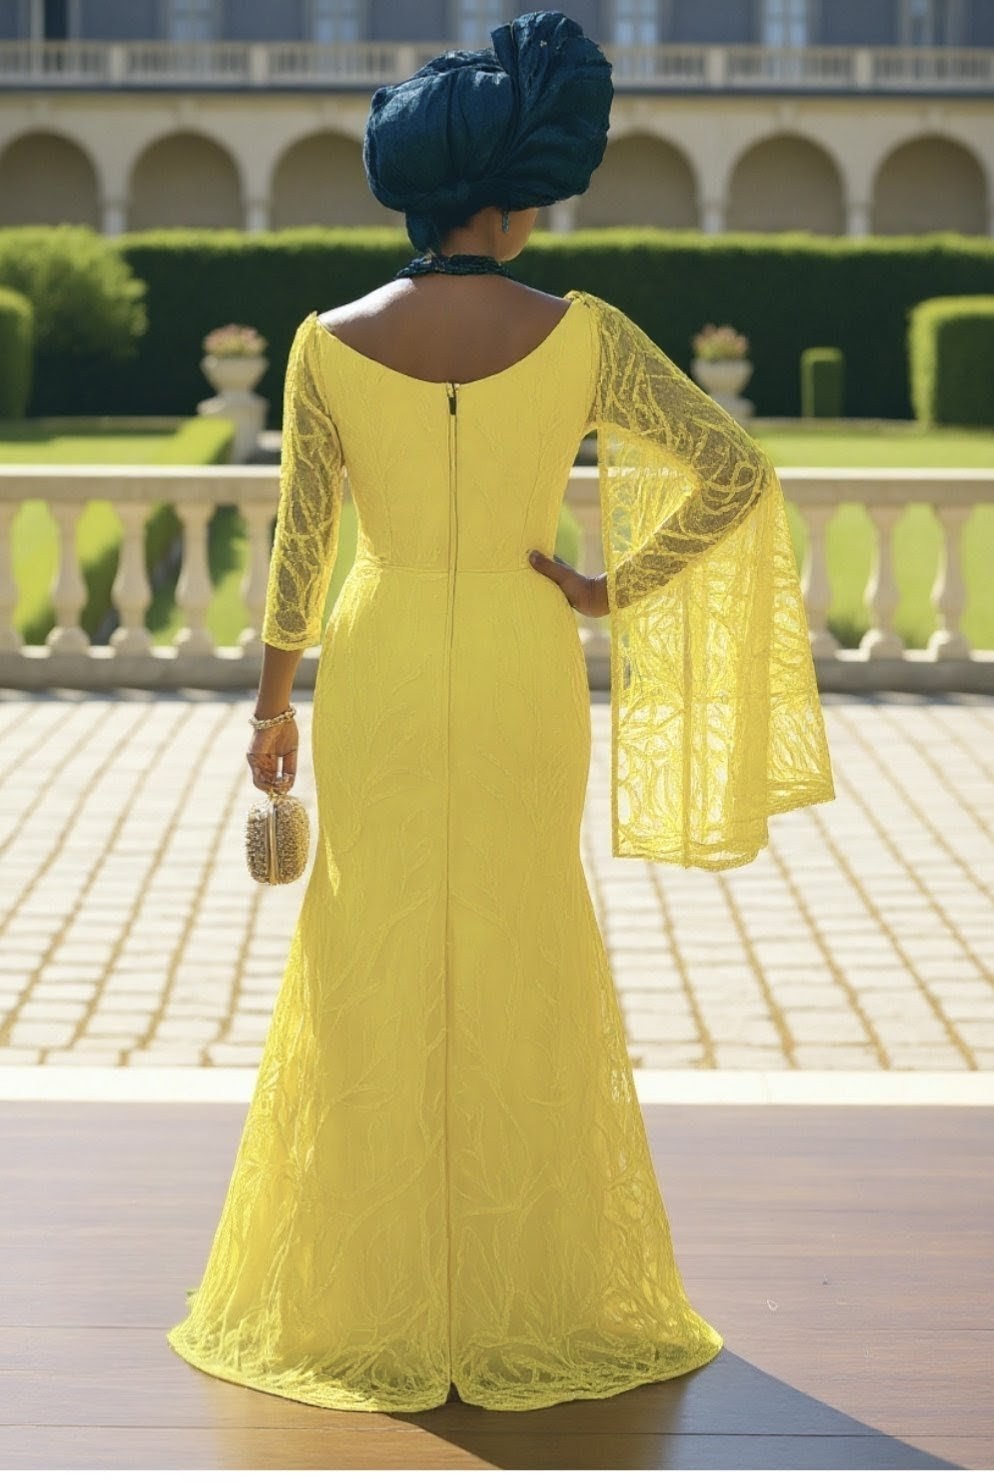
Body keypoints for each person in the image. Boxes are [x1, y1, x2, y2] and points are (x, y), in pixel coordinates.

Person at [166, 10, 834, 1414]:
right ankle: (531, 1286)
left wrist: (271, 711)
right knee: (527, 931)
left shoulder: (322, 340)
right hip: (528, 656)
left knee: (368, 941)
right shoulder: (583, 334)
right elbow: (726, 468)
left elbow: (300, 544)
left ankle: (370, 1289)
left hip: (384, 654)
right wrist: (606, 586)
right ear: (508, 193)